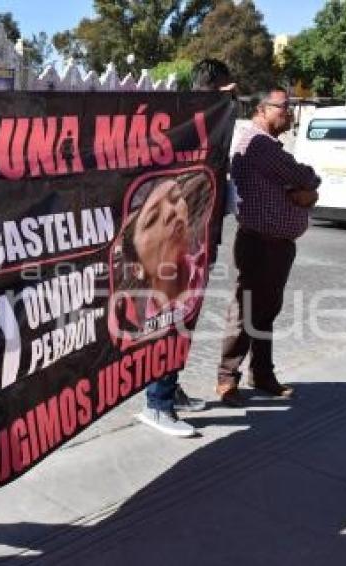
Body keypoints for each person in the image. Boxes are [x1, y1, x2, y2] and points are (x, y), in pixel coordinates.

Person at [137, 59, 236, 437]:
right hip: (177, 248)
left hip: (198, 241)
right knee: (171, 321)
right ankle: (157, 403)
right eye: (228, 87)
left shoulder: (207, 121)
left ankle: (169, 388)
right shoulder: (189, 120)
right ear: (215, 87)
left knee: (184, 320)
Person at [216, 87, 321, 408]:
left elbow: (303, 183)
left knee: (264, 313)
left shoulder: (268, 144)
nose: (288, 113)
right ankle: (227, 379)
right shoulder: (259, 143)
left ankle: (261, 374)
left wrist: (305, 192)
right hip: (258, 243)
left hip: (276, 245)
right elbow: (305, 176)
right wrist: (306, 190)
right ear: (261, 110)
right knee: (246, 310)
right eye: (283, 108)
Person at [109, 172, 213, 436]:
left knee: (180, 339)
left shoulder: (195, 262)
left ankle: (170, 390)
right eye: (152, 219)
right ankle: (157, 406)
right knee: (166, 342)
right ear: (137, 266)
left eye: (175, 199)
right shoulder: (143, 312)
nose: (170, 212)